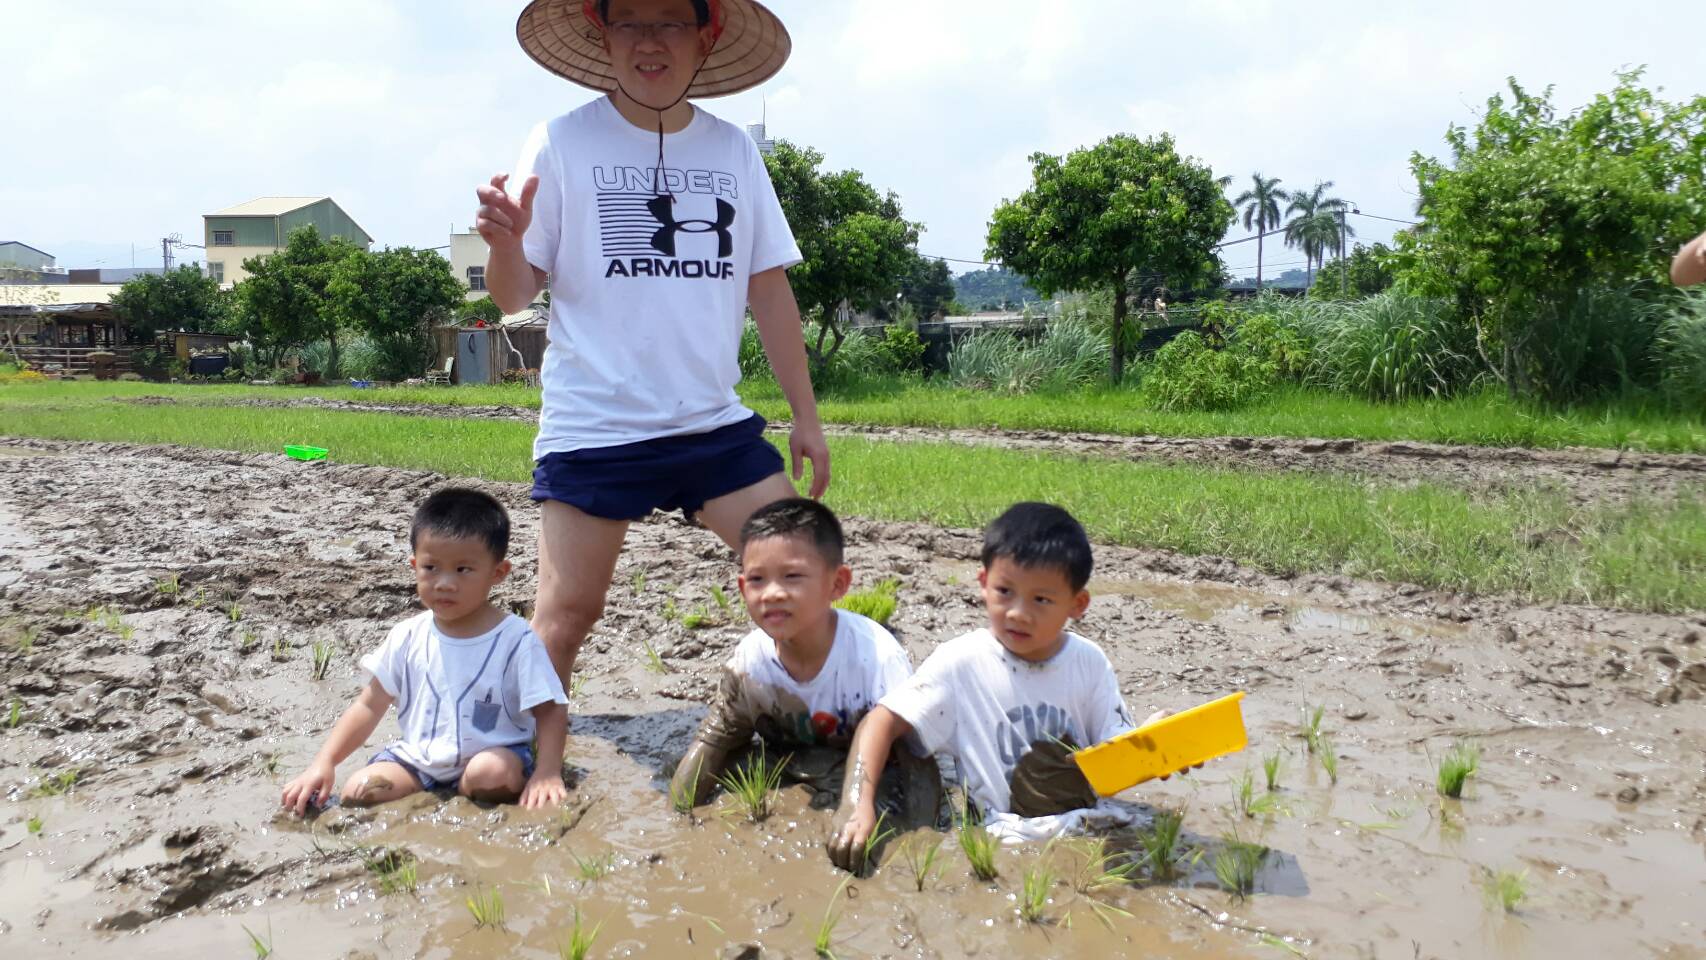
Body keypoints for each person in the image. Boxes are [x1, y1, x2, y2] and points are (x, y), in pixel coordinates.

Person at [475, 0, 828, 694]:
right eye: (629, 22)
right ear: (601, 35)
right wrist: (507, 245)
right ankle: (516, 746)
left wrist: (806, 418)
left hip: (710, 425)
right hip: (596, 425)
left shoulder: (733, 150)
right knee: (569, 611)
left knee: (803, 571)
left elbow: (770, 291)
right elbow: (513, 297)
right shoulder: (559, 142)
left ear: (707, 34)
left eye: (669, 20)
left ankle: (817, 720)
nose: (649, 40)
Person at [827, 503, 1181, 871]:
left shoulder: (1088, 662)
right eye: (1004, 591)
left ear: (1078, 604)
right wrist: (856, 803)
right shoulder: (960, 663)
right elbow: (881, 721)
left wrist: (1154, 740)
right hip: (998, 841)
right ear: (983, 583)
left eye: (1041, 599)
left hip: (1082, 831)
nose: (1017, 613)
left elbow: (1114, 756)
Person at [280, 489, 569, 815]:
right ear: (414, 566)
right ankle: (433, 793)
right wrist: (324, 762)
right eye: (431, 567)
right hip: (419, 760)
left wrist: (547, 772)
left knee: (490, 775)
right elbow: (369, 705)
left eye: (463, 570)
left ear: (497, 573)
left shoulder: (516, 640)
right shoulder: (407, 636)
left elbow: (551, 710)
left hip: (492, 755)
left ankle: (468, 792)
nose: (445, 583)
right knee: (360, 790)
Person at [668, 499, 934, 812]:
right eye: (757, 579)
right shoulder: (749, 664)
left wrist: (920, 837)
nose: (772, 593)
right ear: (742, 588)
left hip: (872, 774)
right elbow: (713, 740)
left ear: (837, 583)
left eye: (792, 576)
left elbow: (918, 762)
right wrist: (674, 817)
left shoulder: (876, 659)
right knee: (722, 769)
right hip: (785, 763)